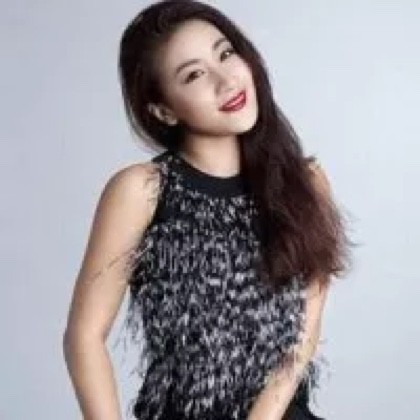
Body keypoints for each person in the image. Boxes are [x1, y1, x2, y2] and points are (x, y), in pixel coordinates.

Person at [62, 1, 353, 419]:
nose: (226, 80)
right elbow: (84, 337)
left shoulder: (305, 182)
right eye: (194, 75)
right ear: (163, 110)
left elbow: (303, 332)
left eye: (226, 53)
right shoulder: (143, 190)